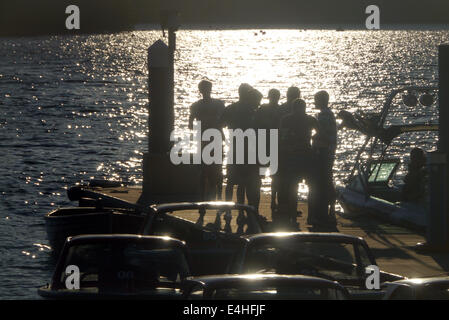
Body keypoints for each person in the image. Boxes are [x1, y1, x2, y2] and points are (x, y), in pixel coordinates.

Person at [277, 98, 317, 229]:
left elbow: (282, 137)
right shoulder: (310, 119)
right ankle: (310, 215)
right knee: (309, 186)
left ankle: (292, 215)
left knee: (292, 186)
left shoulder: (286, 119)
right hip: (306, 154)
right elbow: (320, 133)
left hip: (293, 155)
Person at [189, 80, 225, 201]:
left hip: (204, 139)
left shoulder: (195, 106)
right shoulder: (219, 104)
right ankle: (218, 197)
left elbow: (190, 124)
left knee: (204, 170)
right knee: (217, 169)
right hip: (215, 138)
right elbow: (223, 121)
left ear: (200, 90)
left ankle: (204, 197)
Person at [309, 90, 337, 230]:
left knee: (322, 183)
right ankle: (329, 211)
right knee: (326, 181)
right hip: (328, 152)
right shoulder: (328, 114)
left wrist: (313, 138)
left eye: (316, 99)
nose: (314, 102)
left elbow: (324, 135)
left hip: (323, 153)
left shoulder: (324, 116)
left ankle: (322, 214)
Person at [255, 89, 281, 217]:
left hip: (265, 145)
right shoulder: (280, 110)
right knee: (274, 176)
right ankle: (272, 201)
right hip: (272, 145)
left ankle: (260, 204)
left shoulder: (262, 109)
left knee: (263, 176)